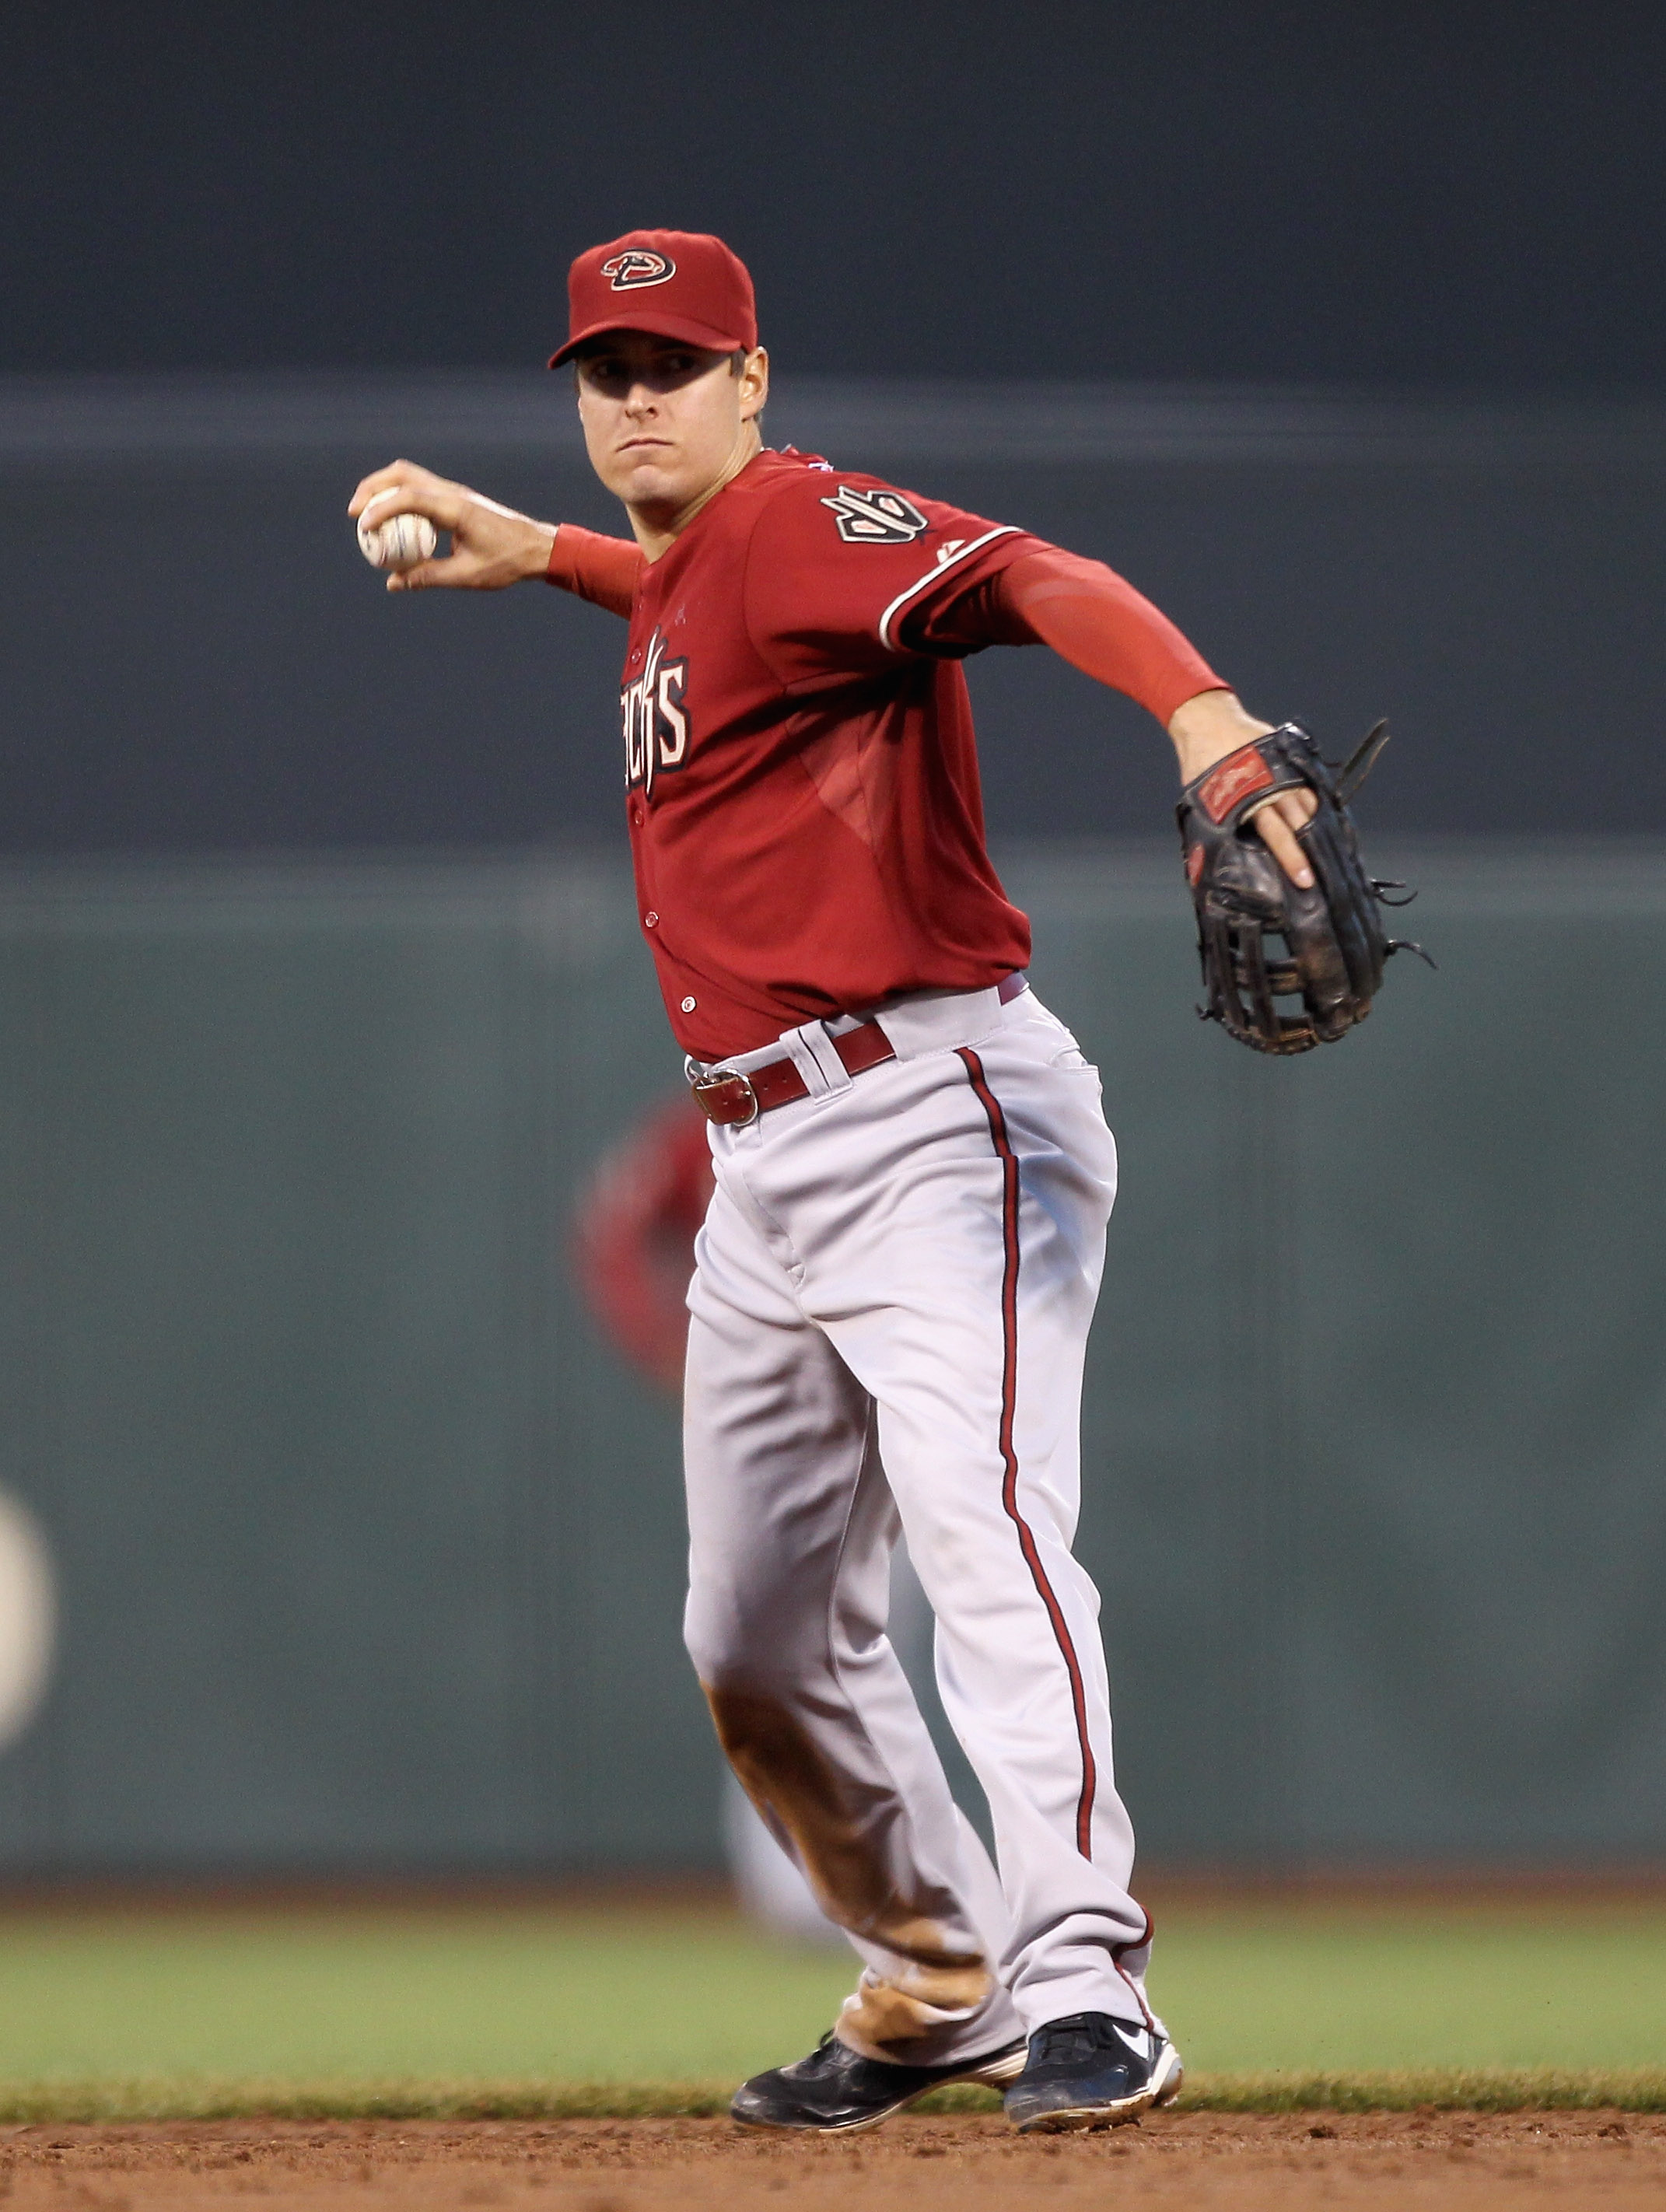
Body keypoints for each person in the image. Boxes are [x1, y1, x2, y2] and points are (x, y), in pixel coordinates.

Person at [348, 229, 1316, 2135]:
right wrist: (544, 549)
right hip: (764, 1163)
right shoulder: (695, 571)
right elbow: (706, 611)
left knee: (981, 1526)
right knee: (754, 1629)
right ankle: (938, 1968)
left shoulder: (796, 520)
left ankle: (1081, 1977)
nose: (635, 398)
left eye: (674, 365)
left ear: (754, 379)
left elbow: (1036, 575)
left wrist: (1203, 716)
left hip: (934, 1113)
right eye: (604, 372)